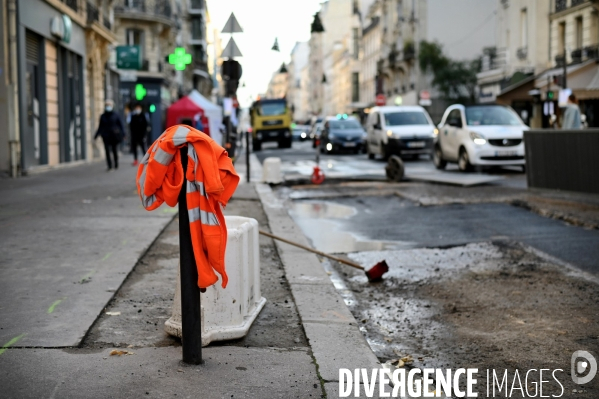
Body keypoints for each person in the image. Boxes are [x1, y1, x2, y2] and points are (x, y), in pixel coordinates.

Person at [95, 99, 125, 171]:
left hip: (114, 136)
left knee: (114, 150)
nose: (108, 107)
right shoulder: (103, 116)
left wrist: (123, 133)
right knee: (107, 151)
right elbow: (100, 126)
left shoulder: (116, 115)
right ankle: (109, 165)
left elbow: (121, 125)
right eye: (106, 105)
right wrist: (96, 135)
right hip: (105, 136)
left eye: (109, 105)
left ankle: (116, 164)